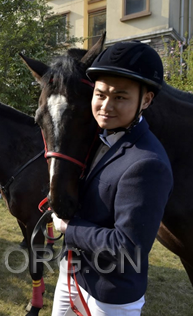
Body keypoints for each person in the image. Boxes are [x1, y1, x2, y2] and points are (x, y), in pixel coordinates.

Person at [51, 42, 174, 316]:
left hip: (110, 295)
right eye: (100, 94)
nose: (106, 106)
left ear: (146, 100)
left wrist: (68, 228)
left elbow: (127, 247)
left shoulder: (148, 163)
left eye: (120, 97)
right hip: (73, 274)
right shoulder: (98, 138)